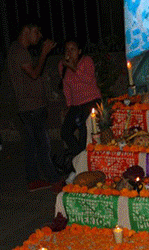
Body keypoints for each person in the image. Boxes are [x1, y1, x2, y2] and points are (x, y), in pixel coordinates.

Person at [6, 16, 62, 192]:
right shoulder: (19, 51)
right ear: (26, 31)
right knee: (43, 145)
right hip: (31, 108)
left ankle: (33, 180)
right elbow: (34, 74)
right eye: (36, 32)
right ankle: (54, 180)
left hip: (27, 107)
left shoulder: (17, 50)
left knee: (32, 145)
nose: (39, 36)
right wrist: (44, 53)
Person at [56, 39, 102, 173]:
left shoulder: (86, 61)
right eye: (67, 50)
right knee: (65, 131)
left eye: (73, 49)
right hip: (76, 105)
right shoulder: (62, 65)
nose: (69, 52)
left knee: (85, 135)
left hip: (91, 101)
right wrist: (69, 105)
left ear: (79, 51)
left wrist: (73, 67)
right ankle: (80, 158)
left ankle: (84, 168)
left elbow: (89, 80)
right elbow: (66, 87)